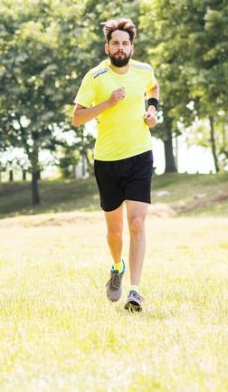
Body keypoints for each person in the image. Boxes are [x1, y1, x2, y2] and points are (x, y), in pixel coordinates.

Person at [71, 18, 160, 312]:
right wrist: (108, 103)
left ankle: (135, 291)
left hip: (139, 155)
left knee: (137, 223)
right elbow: (78, 117)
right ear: (107, 46)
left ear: (131, 46)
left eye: (125, 43)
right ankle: (116, 266)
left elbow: (154, 88)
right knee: (114, 233)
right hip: (107, 161)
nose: (120, 48)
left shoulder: (143, 70)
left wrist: (151, 111)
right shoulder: (95, 77)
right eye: (115, 43)